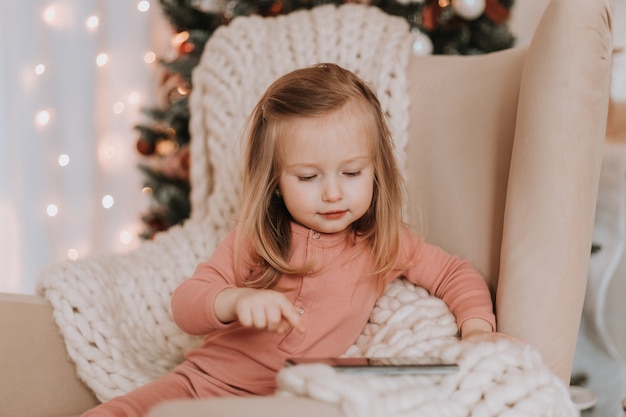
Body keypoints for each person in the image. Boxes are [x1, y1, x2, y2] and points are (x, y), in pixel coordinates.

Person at [83, 62, 497, 417]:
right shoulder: (259, 238)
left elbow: (453, 274)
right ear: (277, 183)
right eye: (308, 177)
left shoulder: (384, 244)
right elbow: (186, 304)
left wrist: (477, 330)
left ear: (376, 170)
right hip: (202, 384)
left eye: (351, 173)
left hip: (284, 402)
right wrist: (236, 300)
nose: (333, 193)